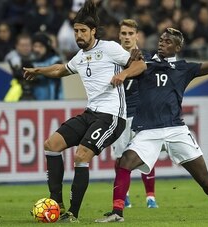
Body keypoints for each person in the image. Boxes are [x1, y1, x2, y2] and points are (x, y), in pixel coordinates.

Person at [95, 22, 208, 223]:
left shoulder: (184, 68)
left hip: (176, 130)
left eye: (168, 42)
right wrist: (128, 63)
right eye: (161, 40)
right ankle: (117, 212)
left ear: (177, 48)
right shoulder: (145, 64)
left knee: (205, 181)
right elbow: (127, 64)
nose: (162, 43)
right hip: (148, 131)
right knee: (125, 162)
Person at [23, 0, 146, 223]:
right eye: (76, 31)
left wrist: (124, 74)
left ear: (93, 32)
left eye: (82, 31)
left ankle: (73, 213)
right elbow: (61, 69)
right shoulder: (80, 56)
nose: (78, 35)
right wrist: (39, 70)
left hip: (111, 117)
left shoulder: (109, 48)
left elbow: (140, 66)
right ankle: (56, 204)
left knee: (81, 155)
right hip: (91, 113)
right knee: (51, 145)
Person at [112, 18, 158, 209]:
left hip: (141, 114)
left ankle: (150, 197)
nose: (127, 37)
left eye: (131, 33)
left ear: (137, 36)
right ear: (119, 35)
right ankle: (126, 195)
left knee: (145, 155)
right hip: (120, 114)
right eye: (124, 33)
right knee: (121, 157)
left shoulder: (147, 56)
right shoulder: (112, 56)